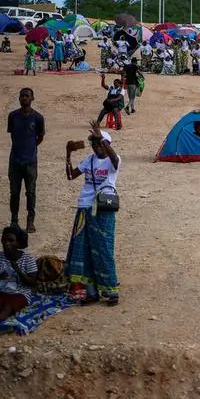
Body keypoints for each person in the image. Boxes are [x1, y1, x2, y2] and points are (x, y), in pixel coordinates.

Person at [64, 121, 121, 306]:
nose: (96, 147)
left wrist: (99, 135)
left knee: (104, 248)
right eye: (94, 143)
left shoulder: (113, 160)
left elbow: (114, 160)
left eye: (99, 143)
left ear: (106, 143)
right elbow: (71, 176)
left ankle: (111, 291)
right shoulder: (88, 160)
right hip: (84, 207)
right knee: (83, 249)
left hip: (103, 208)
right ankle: (91, 292)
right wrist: (68, 154)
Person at [0, 227, 37, 327]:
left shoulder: (28, 259)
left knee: (7, 307)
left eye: (11, 241)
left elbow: (32, 283)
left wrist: (19, 271)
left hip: (20, 293)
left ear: (18, 243)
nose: (6, 243)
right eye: (4, 240)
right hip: (1, 292)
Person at [8, 88, 45, 233]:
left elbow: (40, 136)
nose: (24, 98)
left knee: (30, 193)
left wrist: (30, 148)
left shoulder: (38, 118)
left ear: (32, 98)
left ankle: (30, 221)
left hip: (30, 162)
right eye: (21, 96)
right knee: (14, 193)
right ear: (19, 99)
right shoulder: (13, 116)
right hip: (15, 161)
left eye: (27, 96)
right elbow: (12, 135)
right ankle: (14, 221)